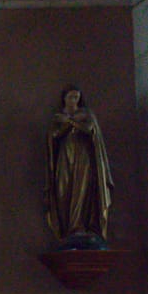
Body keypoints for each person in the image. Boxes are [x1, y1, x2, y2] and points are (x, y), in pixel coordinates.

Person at [45, 85, 113, 249]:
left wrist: (69, 121)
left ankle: (80, 227)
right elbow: (53, 135)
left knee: (81, 191)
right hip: (64, 157)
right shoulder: (57, 117)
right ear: (64, 99)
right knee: (63, 191)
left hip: (83, 158)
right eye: (70, 97)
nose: (73, 101)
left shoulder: (86, 115)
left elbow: (90, 129)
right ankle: (68, 228)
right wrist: (68, 123)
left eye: (76, 97)